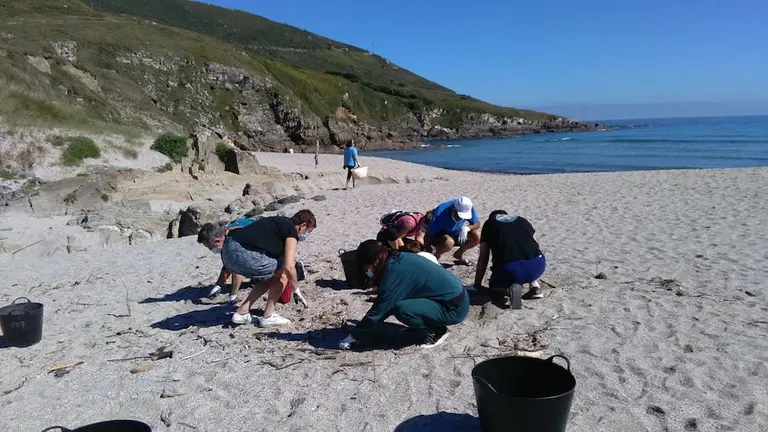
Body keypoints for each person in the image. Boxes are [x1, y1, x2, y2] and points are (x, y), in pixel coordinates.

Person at [341, 240, 469, 349]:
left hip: (453, 307)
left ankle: (436, 331)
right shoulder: (397, 258)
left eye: (366, 267)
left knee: (401, 309)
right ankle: (422, 325)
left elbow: (379, 311)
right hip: (454, 297)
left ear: (374, 262)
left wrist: (354, 336)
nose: (367, 271)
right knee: (403, 301)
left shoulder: (393, 274)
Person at [198, 210, 317, 327]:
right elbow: (289, 266)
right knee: (283, 274)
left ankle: (242, 312)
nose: (305, 235)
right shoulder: (290, 229)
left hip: (227, 253)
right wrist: (296, 289)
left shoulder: (277, 222)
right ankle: (268, 316)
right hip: (242, 253)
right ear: (303, 225)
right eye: (308, 231)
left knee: (270, 276)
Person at [474, 210, 546, 303]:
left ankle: (510, 288)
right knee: (528, 257)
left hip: (510, 270)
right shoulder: (522, 220)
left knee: (494, 285)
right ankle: (535, 285)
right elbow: (536, 243)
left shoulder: (489, 224)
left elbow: (483, 258)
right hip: (538, 266)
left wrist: (477, 284)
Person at [201, 217, 260, 304]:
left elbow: (237, 270)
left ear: (217, 241)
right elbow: (227, 265)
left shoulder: (234, 240)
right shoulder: (223, 237)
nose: (210, 249)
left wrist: (233, 295)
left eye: (210, 247)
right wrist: (218, 285)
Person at [424, 196, 481, 264]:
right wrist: (428, 250)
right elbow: (429, 234)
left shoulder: (467, 207)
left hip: (456, 233)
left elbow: (477, 223)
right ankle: (436, 257)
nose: (460, 219)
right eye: (459, 215)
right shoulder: (440, 212)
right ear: (454, 208)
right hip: (441, 235)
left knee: (478, 235)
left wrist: (467, 228)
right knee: (449, 242)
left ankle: (459, 254)